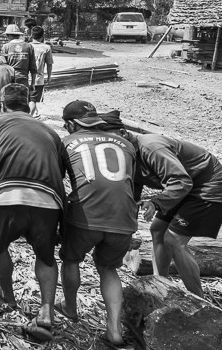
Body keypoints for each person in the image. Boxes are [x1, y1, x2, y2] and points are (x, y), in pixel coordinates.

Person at [0, 84, 67, 338]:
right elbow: (61, 169)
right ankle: (46, 311)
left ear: (2, 105)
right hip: (49, 200)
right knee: (46, 257)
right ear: (27, 106)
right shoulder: (50, 131)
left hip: (8, 197)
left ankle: (7, 295)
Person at [58, 101, 138, 349]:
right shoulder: (126, 144)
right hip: (123, 219)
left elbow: (59, 181)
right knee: (108, 268)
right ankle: (114, 330)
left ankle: (70, 308)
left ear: (71, 124)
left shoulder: (66, 142)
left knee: (71, 260)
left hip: (86, 217)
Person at [122, 121, 222, 298]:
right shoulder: (127, 154)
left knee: (172, 240)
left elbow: (181, 181)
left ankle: (198, 300)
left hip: (207, 186)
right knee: (157, 229)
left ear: (124, 134)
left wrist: (157, 203)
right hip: (184, 188)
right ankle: (160, 289)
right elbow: (132, 198)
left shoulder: (152, 148)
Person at [0, 24, 37, 90]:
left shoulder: (6, 47)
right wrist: (33, 83)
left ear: (8, 35)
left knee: (10, 99)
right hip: (24, 80)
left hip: (10, 80)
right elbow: (33, 67)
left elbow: (3, 66)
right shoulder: (29, 46)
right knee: (23, 99)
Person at [29, 26, 53, 117]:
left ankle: (31, 114)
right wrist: (49, 76)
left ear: (31, 35)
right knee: (33, 100)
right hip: (38, 79)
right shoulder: (46, 48)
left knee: (25, 99)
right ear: (43, 36)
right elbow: (49, 64)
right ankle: (30, 118)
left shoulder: (27, 46)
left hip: (24, 77)